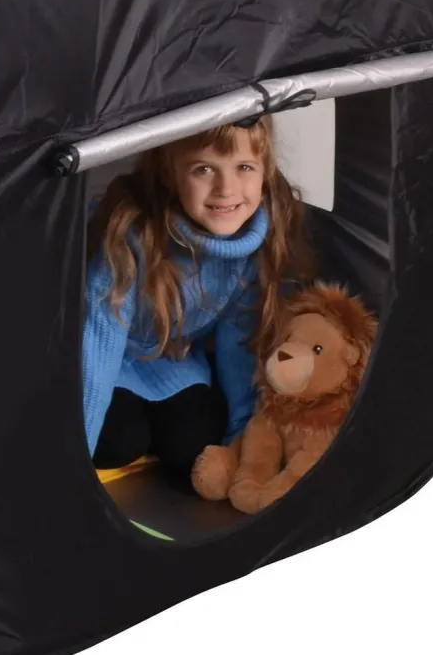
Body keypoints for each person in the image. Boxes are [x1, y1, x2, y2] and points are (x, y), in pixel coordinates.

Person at [82, 117, 315, 486]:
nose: (226, 189)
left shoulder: (254, 244)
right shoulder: (132, 233)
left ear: (265, 173)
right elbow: (99, 339)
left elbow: (238, 341)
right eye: (204, 169)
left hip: (176, 360)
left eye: (244, 167)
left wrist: (241, 439)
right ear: (170, 174)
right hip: (110, 361)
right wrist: (76, 452)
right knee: (118, 443)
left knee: (193, 447)